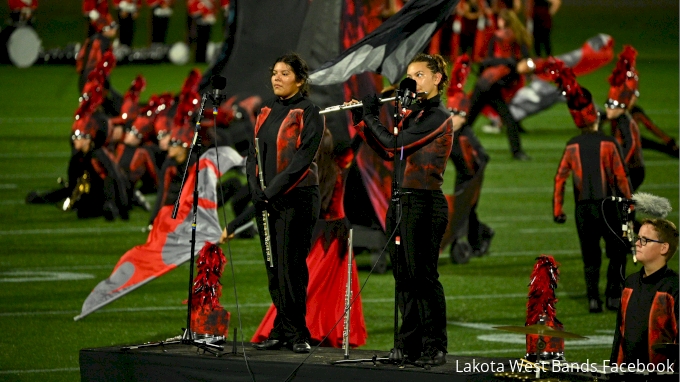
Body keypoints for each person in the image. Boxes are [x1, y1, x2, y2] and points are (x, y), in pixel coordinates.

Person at [347, 53, 454, 366]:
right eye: (411, 75)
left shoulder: (438, 116)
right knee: (404, 278)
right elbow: (387, 151)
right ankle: (407, 346)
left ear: (437, 79)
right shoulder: (416, 116)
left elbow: (395, 144)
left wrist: (372, 116)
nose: (414, 81)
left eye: (420, 75)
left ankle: (435, 347)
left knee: (424, 277)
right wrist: (362, 121)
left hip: (425, 203)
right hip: (402, 202)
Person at [251, 129, 368, 348]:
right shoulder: (339, 165)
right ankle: (322, 330)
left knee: (303, 285)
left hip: (312, 232)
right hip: (336, 234)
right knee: (332, 290)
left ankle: (288, 327)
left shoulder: (305, 170)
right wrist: (362, 117)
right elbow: (356, 143)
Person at [246, 53, 324, 354]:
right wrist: (256, 189)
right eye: (274, 73)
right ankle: (281, 329)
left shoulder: (309, 111)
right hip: (266, 200)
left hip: (297, 197)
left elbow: (303, 159)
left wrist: (272, 190)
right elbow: (253, 154)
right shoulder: (265, 111)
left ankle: (297, 332)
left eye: (285, 74)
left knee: (291, 267)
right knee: (273, 268)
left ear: (300, 80)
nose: (277, 78)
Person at [545, 59, 633, 313]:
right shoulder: (608, 143)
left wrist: (557, 210)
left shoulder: (572, 145)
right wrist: (630, 205)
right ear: (595, 118)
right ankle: (613, 296)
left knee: (590, 256)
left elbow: (560, 177)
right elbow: (620, 177)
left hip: (583, 210)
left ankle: (593, 299)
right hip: (608, 207)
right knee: (617, 252)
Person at [463, 8, 534, 160]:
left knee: (468, 121)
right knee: (508, 120)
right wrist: (513, 66)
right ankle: (517, 152)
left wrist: (500, 64)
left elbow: (486, 61)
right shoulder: (518, 37)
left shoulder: (498, 37)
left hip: (486, 84)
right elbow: (523, 60)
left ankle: (448, 149)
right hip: (490, 85)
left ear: (503, 21)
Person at [610, 218, 679, 368]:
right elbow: (619, 336)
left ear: (664, 248)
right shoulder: (630, 283)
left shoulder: (674, 287)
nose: (637, 243)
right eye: (637, 238)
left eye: (645, 240)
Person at [444, 54, 494, 258]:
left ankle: (473, 240)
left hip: (473, 169)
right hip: (465, 170)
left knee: (465, 208)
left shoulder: (462, 131)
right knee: (465, 208)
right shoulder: (450, 127)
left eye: (457, 114)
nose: (453, 118)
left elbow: (479, 157)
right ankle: (483, 234)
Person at [605, 45, 644, 192]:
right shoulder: (618, 119)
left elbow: (630, 144)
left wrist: (619, 167)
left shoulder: (626, 120)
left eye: (612, 105)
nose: (608, 109)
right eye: (608, 105)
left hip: (632, 169)